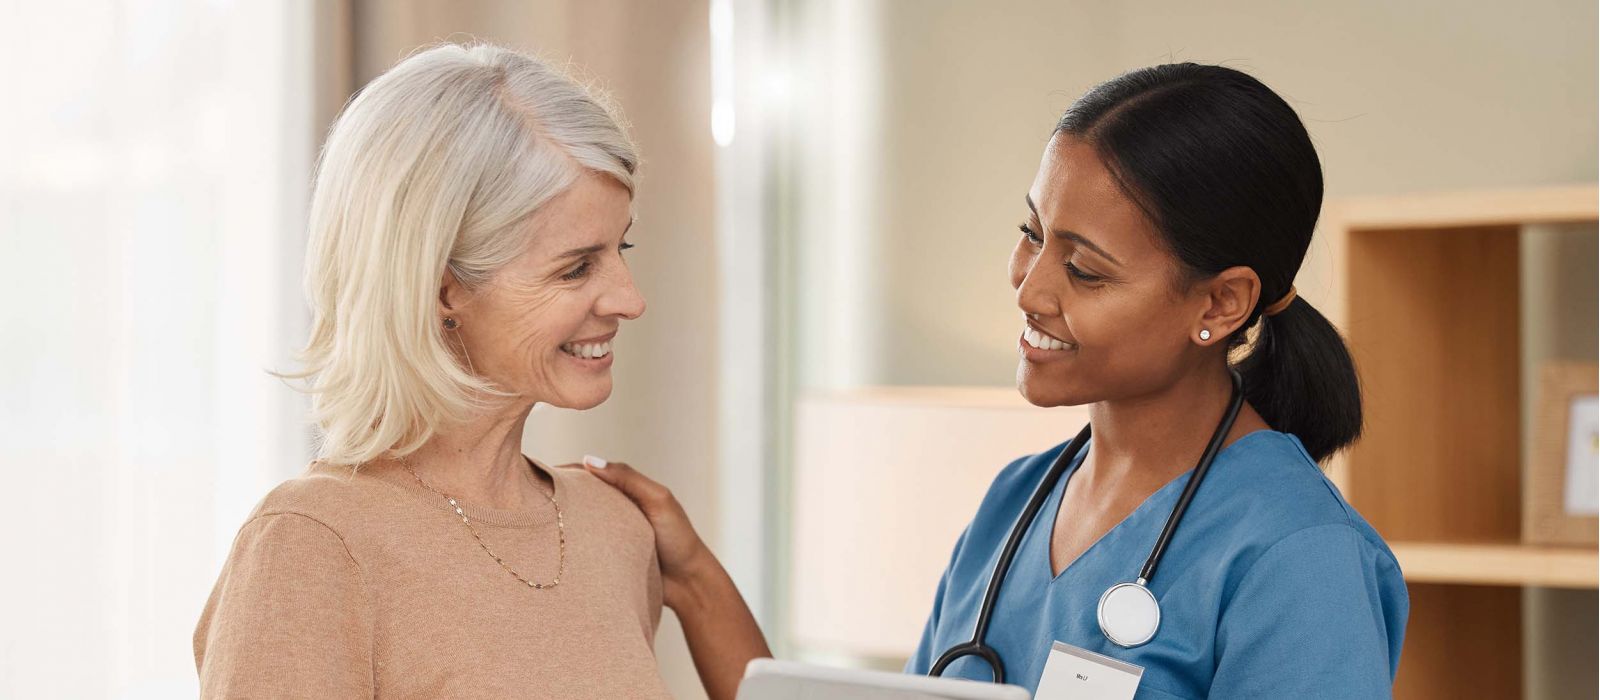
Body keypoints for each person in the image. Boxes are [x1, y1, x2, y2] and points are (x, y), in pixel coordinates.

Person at [593, 63, 1408, 699]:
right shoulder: (1015, 505)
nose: (1029, 289)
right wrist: (695, 578)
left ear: (1222, 302)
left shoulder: (1298, 556)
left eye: (1085, 270)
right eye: (1032, 233)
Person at [192, 43, 730, 697]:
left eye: (623, 248)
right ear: (443, 288)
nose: (630, 298)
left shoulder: (613, 529)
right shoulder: (312, 543)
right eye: (576, 267)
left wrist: (696, 574)